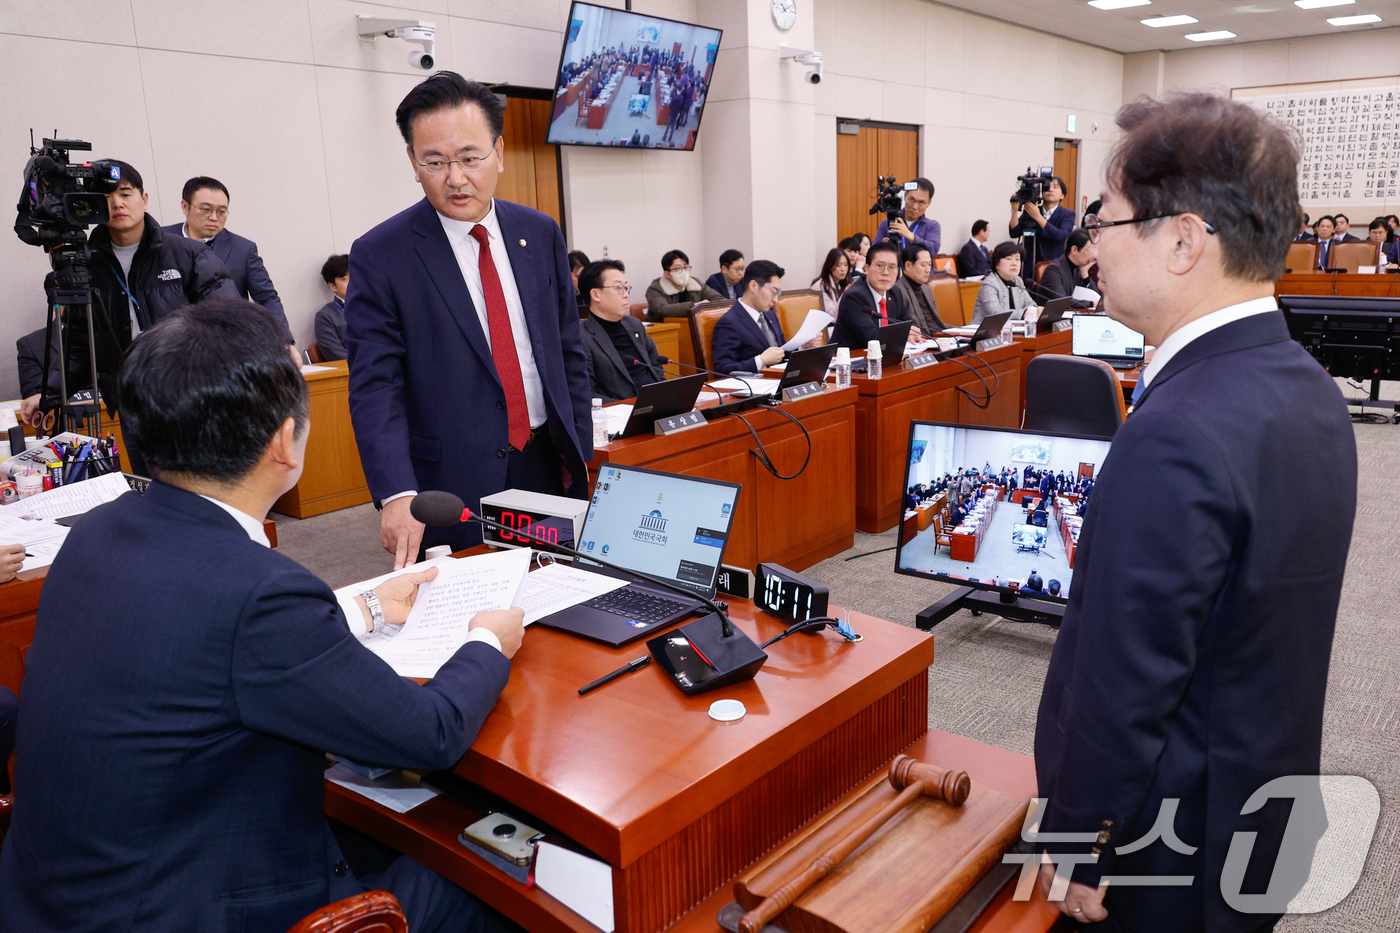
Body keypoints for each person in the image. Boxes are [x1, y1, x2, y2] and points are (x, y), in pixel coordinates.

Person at [0, 299, 524, 933]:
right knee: (499, 883)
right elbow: (429, 735)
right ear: (284, 439)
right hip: (190, 908)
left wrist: (359, 608)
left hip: (63, 897)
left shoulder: (101, 529)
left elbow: (195, 637)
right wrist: (487, 641)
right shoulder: (260, 592)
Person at [1034, 93, 1357, 933]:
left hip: (1168, 857)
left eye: (1102, 222)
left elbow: (1123, 680)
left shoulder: (1176, 429)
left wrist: (1075, 841)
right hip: (1262, 811)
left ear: (1183, 240)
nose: (1088, 247)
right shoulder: (1308, 387)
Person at [345, 71, 594, 568]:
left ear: (498, 153)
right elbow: (376, 386)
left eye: (469, 158)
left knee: (558, 597)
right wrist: (396, 492)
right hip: (449, 485)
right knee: (470, 623)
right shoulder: (381, 254)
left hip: (545, 461)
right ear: (413, 164)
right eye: (434, 161)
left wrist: (582, 452)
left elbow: (567, 348)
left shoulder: (539, 232)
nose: (455, 178)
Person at [29, 161, 237, 427]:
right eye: (106, 197)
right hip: (132, 401)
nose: (117, 204)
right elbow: (80, 345)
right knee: (143, 470)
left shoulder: (188, 254)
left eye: (125, 194)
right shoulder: (86, 267)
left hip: (191, 396)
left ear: (144, 199)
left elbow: (228, 321)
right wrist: (49, 393)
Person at [164, 176, 290, 341]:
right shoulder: (161, 241)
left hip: (227, 343)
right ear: (185, 206)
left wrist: (285, 341)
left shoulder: (243, 249)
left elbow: (266, 298)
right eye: (206, 209)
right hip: (174, 343)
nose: (214, 218)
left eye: (221, 212)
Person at [579, 259, 666, 402]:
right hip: (620, 416)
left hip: (655, 407)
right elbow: (588, 394)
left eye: (626, 288)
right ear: (595, 295)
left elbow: (656, 368)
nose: (625, 294)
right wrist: (632, 408)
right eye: (619, 288)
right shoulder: (582, 338)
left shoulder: (634, 326)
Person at [831, 240, 923, 349]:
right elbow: (873, 339)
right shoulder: (854, 296)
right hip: (849, 361)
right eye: (880, 266)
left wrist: (912, 332)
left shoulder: (895, 292)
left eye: (892, 267)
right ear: (866, 268)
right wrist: (904, 334)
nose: (886, 272)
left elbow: (911, 326)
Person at [711, 259, 787, 375]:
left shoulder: (770, 315)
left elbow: (782, 352)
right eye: (773, 291)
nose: (775, 299)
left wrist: (804, 346)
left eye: (778, 293)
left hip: (779, 381)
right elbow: (722, 369)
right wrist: (760, 361)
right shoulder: (729, 322)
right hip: (755, 388)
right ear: (753, 286)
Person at [1009, 175, 1074, 265]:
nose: (1050, 190)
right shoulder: (1032, 209)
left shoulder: (1067, 214)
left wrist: (1038, 217)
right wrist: (1015, 210)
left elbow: (1060, 235)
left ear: (1062, 195)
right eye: (1047, 187)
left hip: (1054, 264)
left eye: (1055, 187)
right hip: (1029, 264)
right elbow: (1014, 232)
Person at [969, 242, 1035, 327]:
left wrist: (1034, 310)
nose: (1014, 263)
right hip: (983, 334)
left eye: (1017, 259)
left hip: (1011, 331)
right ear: (997, 264)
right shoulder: (989, 284)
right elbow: (997, 313)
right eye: (1008, 259)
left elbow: (1030, 303)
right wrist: (1024, 313)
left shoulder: (1018, 281)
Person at [645, 249, 722, 320]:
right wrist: (694, 306)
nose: (683, 272)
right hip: (664, 329)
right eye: (677, 268)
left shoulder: (696, 284)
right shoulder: (655, 288)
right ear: (667, 274)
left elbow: (720, 299)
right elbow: (662, 310)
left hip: (692, 327)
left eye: (685, 267)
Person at [873, 177, 941, 255]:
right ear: (905, 195)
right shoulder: (888, 222)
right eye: (912, 199)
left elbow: (933, 250)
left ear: (929, 203)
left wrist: (910, 236)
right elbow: (872, 252)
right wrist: (881, 247)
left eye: (921, 202)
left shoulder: (932, 225)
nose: (915, 206)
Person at [892, 244, 950, 334]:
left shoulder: (927, 289)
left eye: (929, 265)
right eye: (923, 265)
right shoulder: (898, 291)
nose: (928, 270)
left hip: (940, 334)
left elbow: (936, 323)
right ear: (908, 266)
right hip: (923, 339)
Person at [1038, 228, 1097, 301]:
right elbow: (1062, 301)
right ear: (1074, 250)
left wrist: (1085, 275)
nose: (1092, 255)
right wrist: (1091, 303)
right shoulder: (1054, 270)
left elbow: (1096, 297)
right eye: (1088, 250)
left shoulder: (1079, 269)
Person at [313, 254, 350, 361]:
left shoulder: (373, 307)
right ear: (333, 286)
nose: (353, 282)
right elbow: (336, 355)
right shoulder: (325, 316)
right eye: (345, 279)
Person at [812, 248, 850, 318]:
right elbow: (832, 316)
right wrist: (845, 294)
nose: (843, 269)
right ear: (830, 266)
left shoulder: (841, 284)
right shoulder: (821, 286)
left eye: (846, 265)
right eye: (839, 265)